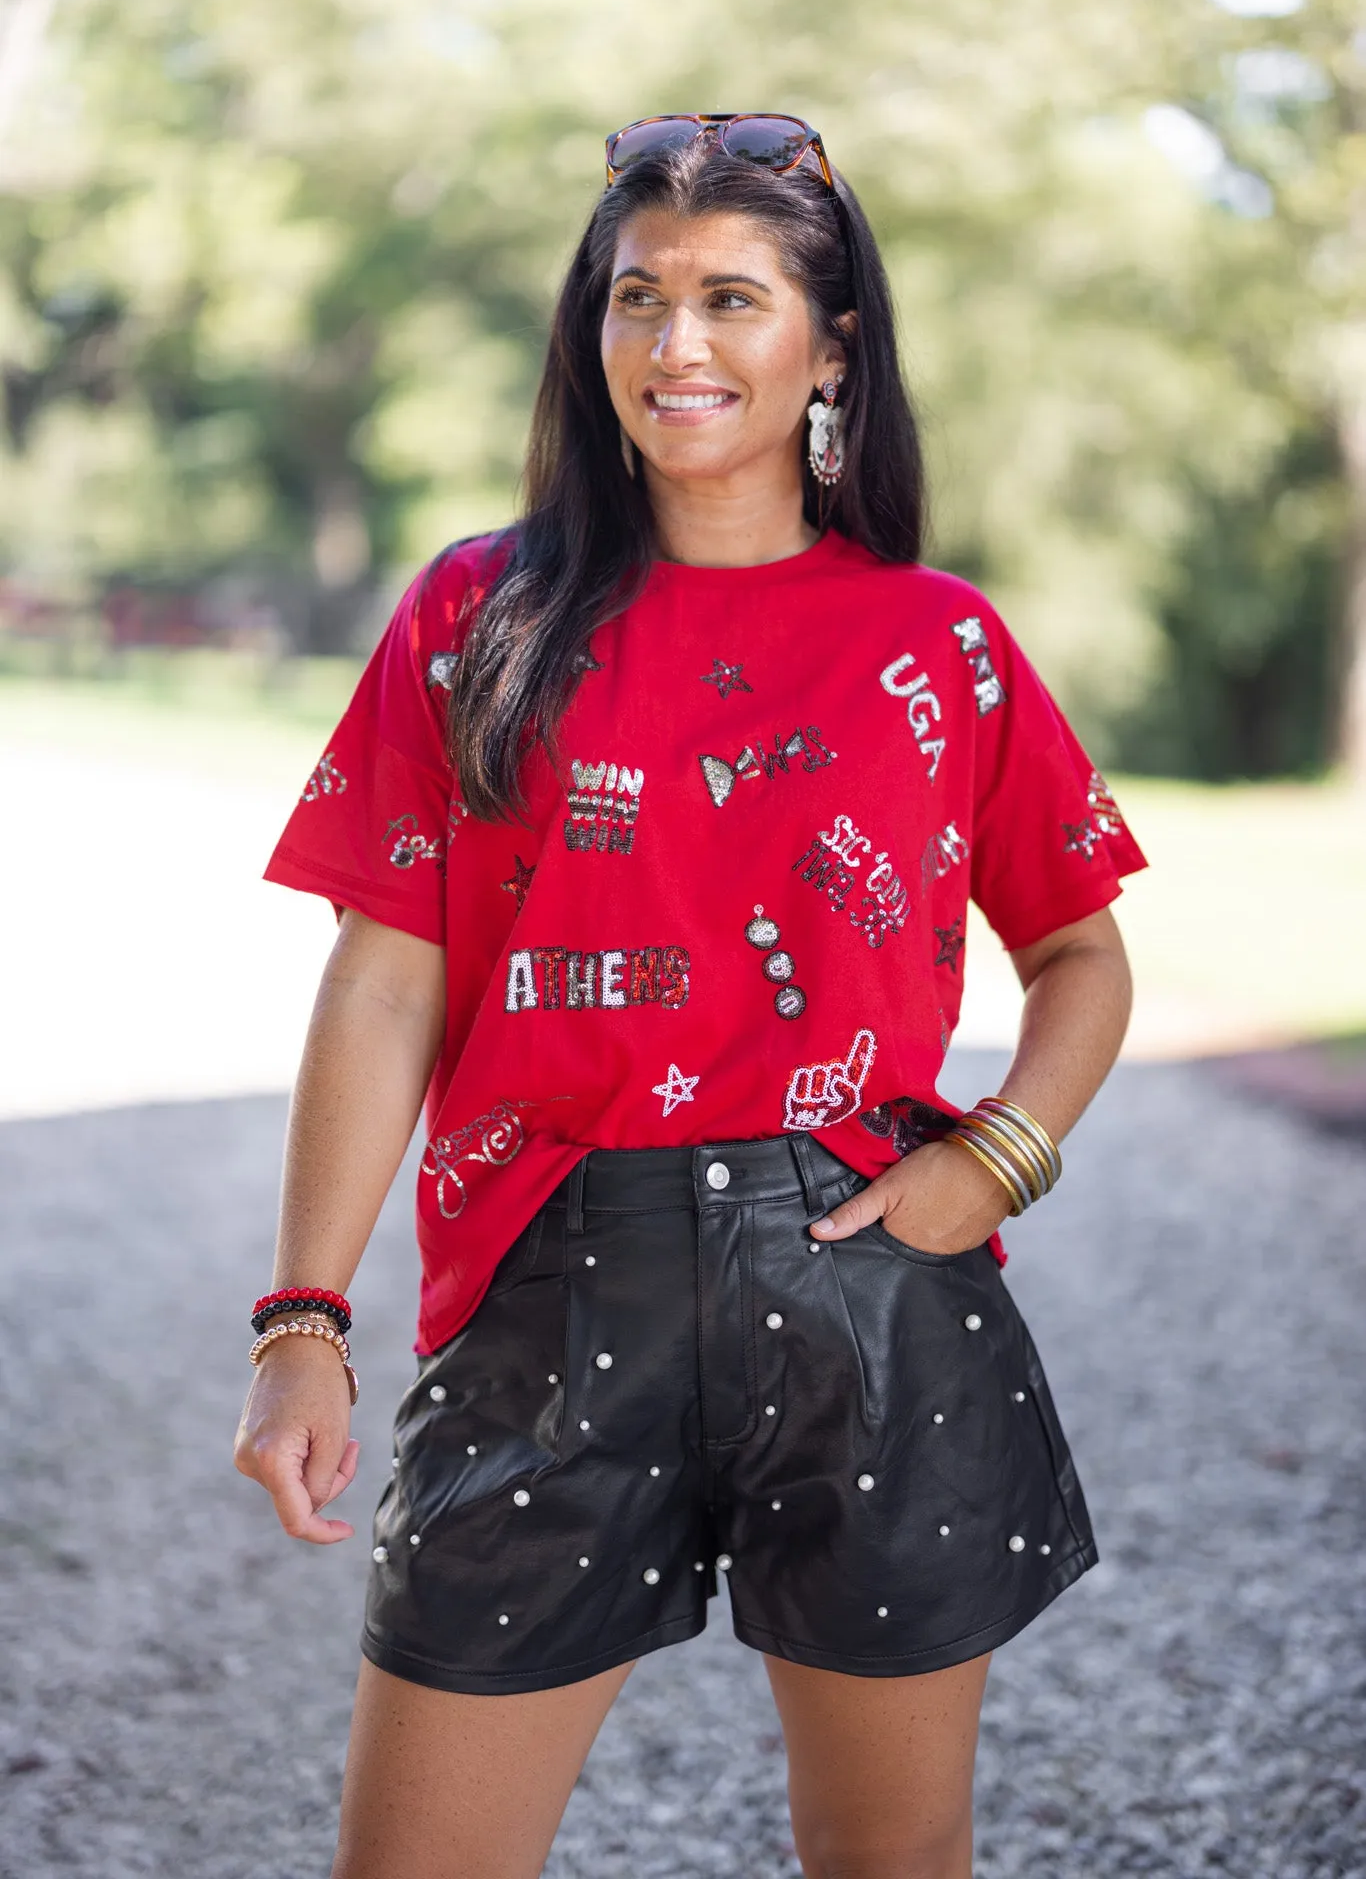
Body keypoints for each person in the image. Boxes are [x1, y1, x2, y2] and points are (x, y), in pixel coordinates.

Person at [234, 112, 1146, 1879]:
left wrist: (1002, 1156)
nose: (676, 345)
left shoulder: (933, 640)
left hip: (872, 1300)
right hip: (546, 1280)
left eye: (731, 298)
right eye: (633, 297)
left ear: (829, 344)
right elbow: (382, 981)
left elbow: (1080, 949)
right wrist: (301, 1324)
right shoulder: (474, 614)